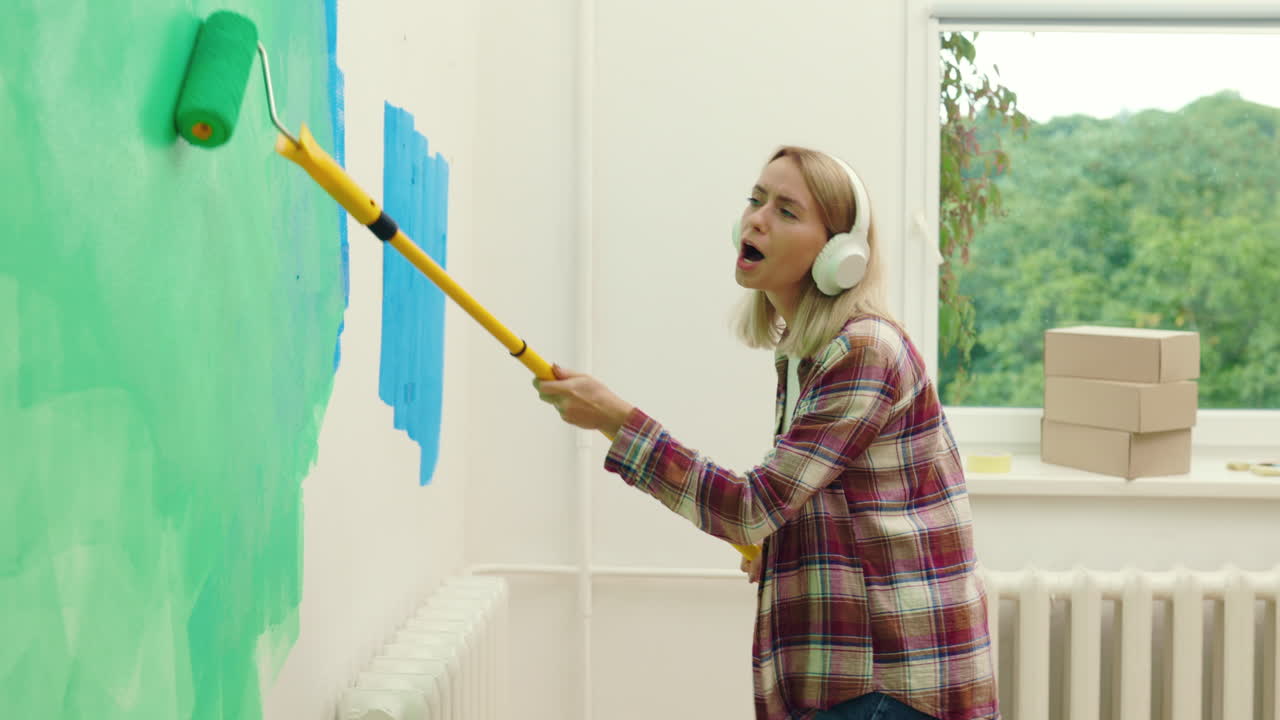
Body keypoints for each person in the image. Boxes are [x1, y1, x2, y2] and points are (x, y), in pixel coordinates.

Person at [533, 146, 999, 720]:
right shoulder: (804, 355)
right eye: (755, 201)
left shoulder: (863, 352)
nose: (755, 219)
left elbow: (751, 507)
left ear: (839, 255)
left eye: (785, 210)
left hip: (891, 680)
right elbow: (811, 505)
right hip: (852, 677)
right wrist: (780, 547)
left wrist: (613, 420)